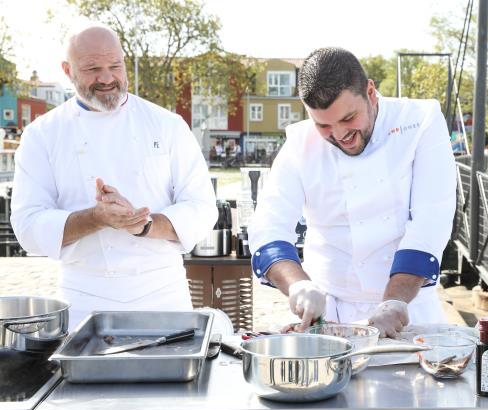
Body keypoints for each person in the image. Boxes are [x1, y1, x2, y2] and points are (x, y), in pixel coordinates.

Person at [10, 25, 217, 329]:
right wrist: (96, 218)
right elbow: (27, 226)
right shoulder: (42, 135)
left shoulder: (167, 125)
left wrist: (145, 224)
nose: (106, 78)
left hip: (163, 294)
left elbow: (201, 207)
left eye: (115, 66)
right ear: (68, 70)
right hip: (83, 300)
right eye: (93, 68)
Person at [248, 47, 456, 338]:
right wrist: (298, 285)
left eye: (348, 119)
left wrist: (394, 300)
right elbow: (268, 227)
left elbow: (430, 220)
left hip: (408, 308)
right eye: (323, 125)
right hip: (326, 315)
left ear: (370, 93)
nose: (339, 135)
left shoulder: (420, 121)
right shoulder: (299, 143)